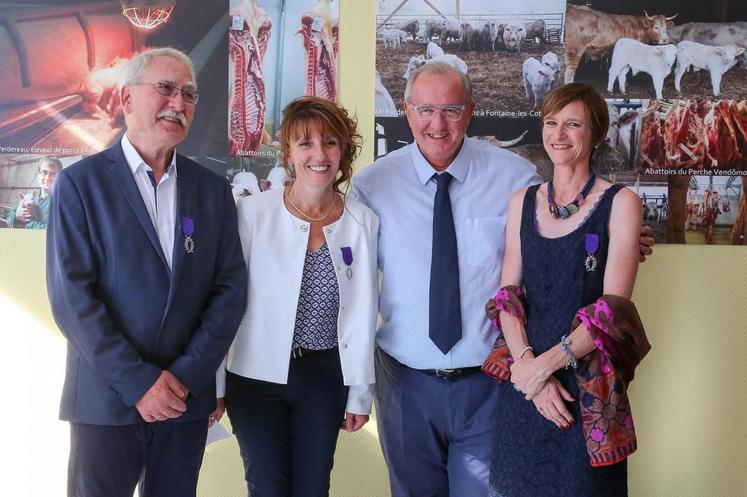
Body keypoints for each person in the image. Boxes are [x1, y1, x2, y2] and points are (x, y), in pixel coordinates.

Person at [350, 64, 655, 496]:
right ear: (407, 110)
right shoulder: (371, 185)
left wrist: (624, 235)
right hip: (405, 385)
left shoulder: (514, 177)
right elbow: (346, 272)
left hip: (490, 386)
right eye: (426, 109)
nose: (438, 124)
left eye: (452, 110)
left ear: (471, 111)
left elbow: (562, 225)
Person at [46, 47, 247, 497]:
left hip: (183, 400)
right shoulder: (80, 185)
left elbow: (229, 291)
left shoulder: (213, 191)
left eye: (189, 94)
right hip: (105, 399)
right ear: (126, 98)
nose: (179, 103)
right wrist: (140, 383)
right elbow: (72, 299)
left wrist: (185, 378)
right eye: (166, 89)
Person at [486, 83, 650, 497]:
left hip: (585, 393)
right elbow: (507, 295)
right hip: (523, 391)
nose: (558, 134)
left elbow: (610, 311)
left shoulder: (622, 202)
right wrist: (529, 371)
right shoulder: (521, 200)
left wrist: (546, 367)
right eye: (551, 122)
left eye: (573, 124)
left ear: (596, 135)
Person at [224, 96, 378, 497]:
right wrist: (215, 385)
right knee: (267, 486)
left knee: (313, 487)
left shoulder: (363, 222)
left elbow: (363, 313)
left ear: (343, 152)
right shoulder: (252, 213)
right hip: (254, 375)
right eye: (305, 143)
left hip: (324, 378)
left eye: (330, 142)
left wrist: (361, 392)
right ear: (288, 153)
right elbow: (223, 301)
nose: (319, 154)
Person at [6, 156, 62, 229]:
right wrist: (16, 216)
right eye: (44, 172)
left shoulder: (61, 202)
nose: (48, 178)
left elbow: (52, 230)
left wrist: (25, 223)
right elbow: (9, 217)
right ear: (38, 175)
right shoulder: (29, 197)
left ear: (60, 177)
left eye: (53, 174)